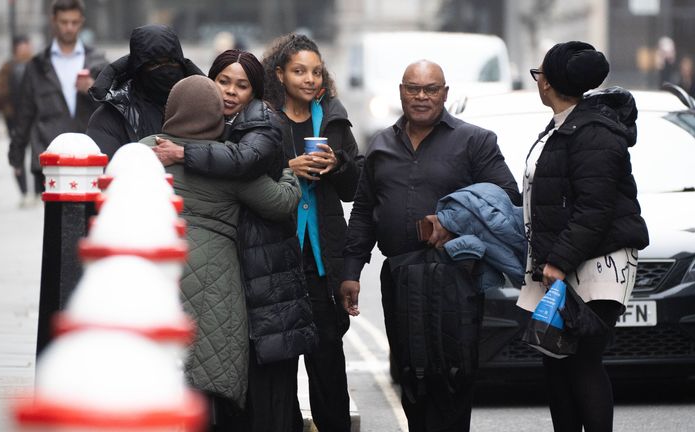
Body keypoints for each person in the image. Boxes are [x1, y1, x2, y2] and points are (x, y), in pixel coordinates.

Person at [340, 60, 520, 431]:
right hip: (401, 277)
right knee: (411, 376)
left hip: (455, 275)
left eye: (431, 89)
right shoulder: (381, 145)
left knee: (453, 374)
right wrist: (351, 272)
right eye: (413, 88)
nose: (421, 97)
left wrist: (453, 221)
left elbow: (505, 199)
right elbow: (362, 212)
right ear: (401, 91)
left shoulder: (475, 141)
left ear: (445, 94)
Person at [151, 49, 317, 432]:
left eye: (241, 85)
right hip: (223, 278)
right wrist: (289, 172)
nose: (230, 92)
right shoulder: (231, 160)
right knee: (214, 374)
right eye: (222, 82)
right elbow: (278, 201)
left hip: (161, 270)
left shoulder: (146, 149)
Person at [521, 41, 649, 432]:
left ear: (549, 83)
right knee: (557, 365)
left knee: (582, 364)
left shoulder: (593, 132)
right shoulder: (565, 125)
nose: (537, 80)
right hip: (560, 263)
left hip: (594, 267)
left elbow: (595, 209)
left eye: (538, 73)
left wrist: (558, 261)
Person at [259, 33, 362, 432]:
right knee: (279, 368)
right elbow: (248, 174)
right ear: (280, 74)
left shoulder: (333, 117)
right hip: (277, 258)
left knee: (328, 365)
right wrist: (289, 166)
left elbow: (354, 188)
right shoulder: (263, 116)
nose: (309, 78)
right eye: (299, 70)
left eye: (316, 71)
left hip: (322, 263)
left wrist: (337, 165)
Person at [8, 0, 107, 196]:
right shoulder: (37, 65)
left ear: (82, 22)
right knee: (51, 223)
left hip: (88, 155)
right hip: (49, 157)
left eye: (74, 22)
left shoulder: (98, 61)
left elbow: (113, 106)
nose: (69, 28)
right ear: (54, 20)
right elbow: (25, 112)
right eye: (64, 22)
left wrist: (93, 89)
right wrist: (16, 156)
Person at [86, 24, 203, 159]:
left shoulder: (201, 109)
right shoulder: (112, 116)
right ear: (138, 70)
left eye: (171, 61)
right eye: (154, 64)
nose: (165, 70)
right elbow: (104, 171)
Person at [0, 35, 34, 206]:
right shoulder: (7, 67)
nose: (25, 49)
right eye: (22, 46)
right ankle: (24, 192)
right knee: (18, 156)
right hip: (15, 120)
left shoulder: (37, 65)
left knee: (39, 154)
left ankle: (39, 191)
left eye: (27, 45)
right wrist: (8, 110)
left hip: (35, 119)